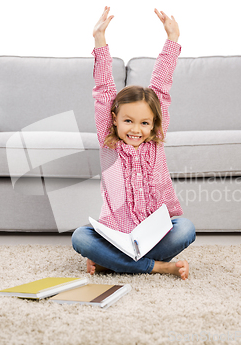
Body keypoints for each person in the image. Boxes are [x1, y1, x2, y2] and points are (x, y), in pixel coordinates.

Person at [71, 6, 195, 280]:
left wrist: (172, 40)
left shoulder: (156, 143)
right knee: (81, 238)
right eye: (128, 121)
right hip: (116, 234)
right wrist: (99, 41)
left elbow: (161, 87)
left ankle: (112, 265)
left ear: (154, 124)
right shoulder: (109, 143)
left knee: (186, 228)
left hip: (154, 234)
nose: (136, 129)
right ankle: (158, 267)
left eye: (144, 123)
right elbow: (104, 91)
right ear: (114, 120)